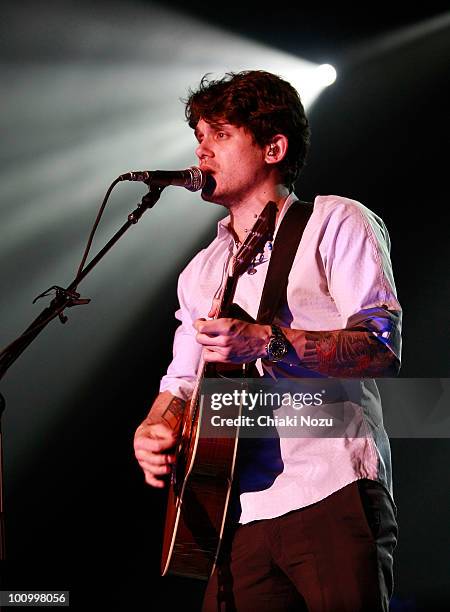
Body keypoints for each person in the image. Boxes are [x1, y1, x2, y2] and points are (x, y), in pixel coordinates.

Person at [133, 70, 401, 611]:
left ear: (273, 147)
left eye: (220, 134)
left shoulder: (336, 221)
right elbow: (182, 383)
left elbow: (380, 347)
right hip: (239, 510)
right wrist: (156, 425)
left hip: (332, 489)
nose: (201, 149)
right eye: (199, 136)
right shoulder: (200, 272)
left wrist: (267, 343)